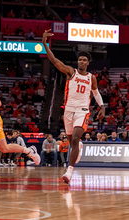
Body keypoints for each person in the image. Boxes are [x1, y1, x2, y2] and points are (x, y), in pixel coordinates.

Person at [42, 29, 105, 184]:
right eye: (79, 60)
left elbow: (96, 93)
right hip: (68, 110)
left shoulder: (92, 78)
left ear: (88, 63)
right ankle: (79, 146)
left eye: (84, 60)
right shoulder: (71, 72)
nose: (81, 62)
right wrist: (44, 44)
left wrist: (102, 107)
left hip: (82, 110)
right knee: (72, 141)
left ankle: (69, 172)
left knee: (75, 137)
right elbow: (55, 61)